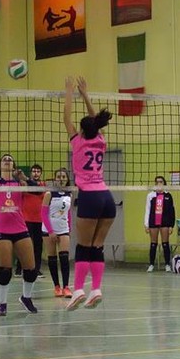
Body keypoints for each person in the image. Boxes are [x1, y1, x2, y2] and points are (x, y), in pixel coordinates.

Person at [62, 76, 115, 311]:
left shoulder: (78, 142)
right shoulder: (101, 141)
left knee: (83, 247)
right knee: (96, 247)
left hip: (90, 197)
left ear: (82, 130)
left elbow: (66, 118)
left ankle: (78, 290)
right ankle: (96, 289)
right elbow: (95, 122)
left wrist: (69, 91)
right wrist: (85, 94)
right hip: (106, 197)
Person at [0, 132, 39, 316]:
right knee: (5, 270)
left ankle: (26, 298)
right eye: (4, 159)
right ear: (0, 166)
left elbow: (37, 191)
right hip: (1, 230)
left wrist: (24, 178)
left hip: (20, 228)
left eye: (10, 159)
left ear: (14, 166)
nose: (8, 161)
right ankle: (2, 303)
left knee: (31, 269)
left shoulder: (20, 184)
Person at [41, 168, 73, 298]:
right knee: (52, 258)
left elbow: (68, 213)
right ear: (55, 179)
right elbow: (43, 214)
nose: (61, 179)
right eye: (59, 177)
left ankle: (66, 287)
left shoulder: (69, 194)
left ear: (67, 179)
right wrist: (50, 231)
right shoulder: (49, 194)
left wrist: (69, 228)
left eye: (63, 177)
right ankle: (57, 287)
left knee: (64, 257)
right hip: (49, 230)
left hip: (63, 229)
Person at [14, 163, 46, 278]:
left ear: (41, 173)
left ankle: (36, 269)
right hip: (26, 219)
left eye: (38, 171)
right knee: (24, 245)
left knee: (38, 246)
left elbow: (37, 190)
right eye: (34, 171)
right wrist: (17, 177)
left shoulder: (42, 185)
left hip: (39, 220)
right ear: (31, 173)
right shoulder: (23, 185)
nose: (36, 173)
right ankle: (19, 268)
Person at [144, 176, 176, 272]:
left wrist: (171, 225)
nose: (159, 183)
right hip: (153, 222)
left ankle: (167, 264)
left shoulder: (168, 195)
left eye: (161, 181)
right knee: (153, 243)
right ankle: (151, 264)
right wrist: (146, 224)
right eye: (157, 182)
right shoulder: (150, 195)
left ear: (164, 183)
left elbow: (171, 211)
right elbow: (147, 210)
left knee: (165, 243)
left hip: (165, 222)